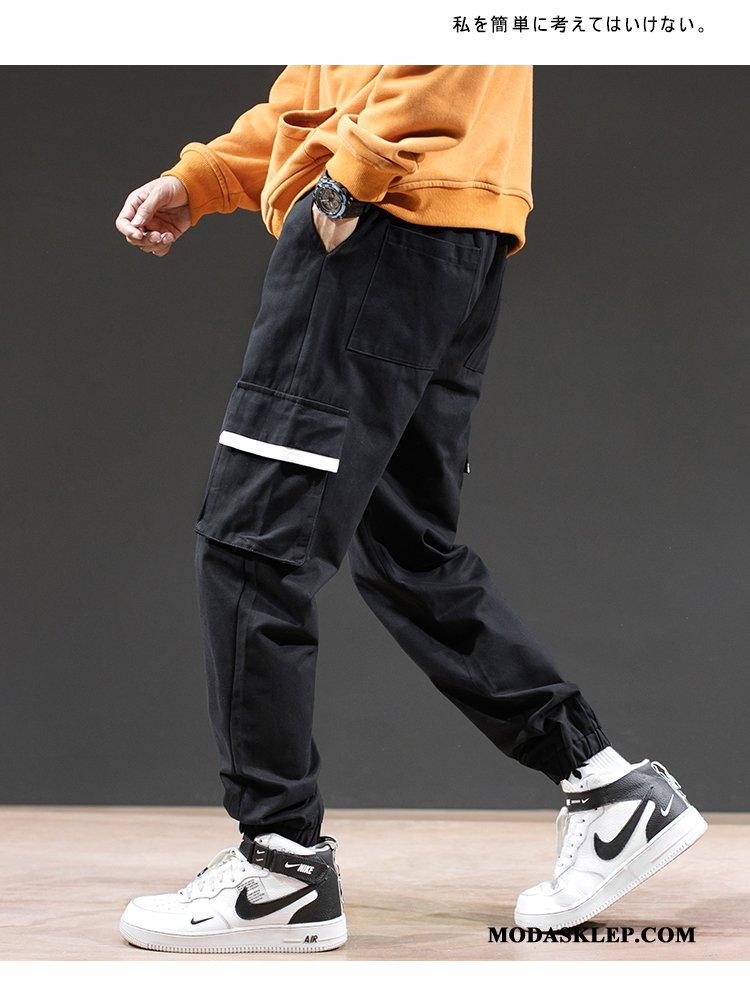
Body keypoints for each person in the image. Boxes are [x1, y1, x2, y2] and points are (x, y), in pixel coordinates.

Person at [114, 65, 706, 954]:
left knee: (253, 548)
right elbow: (318, 89)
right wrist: (201, 179)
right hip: (448, 234)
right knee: (406, 548)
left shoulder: (370, 183)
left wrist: (348, 183)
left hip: (380, 223)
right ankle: (606, 787)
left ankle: (280, 867)